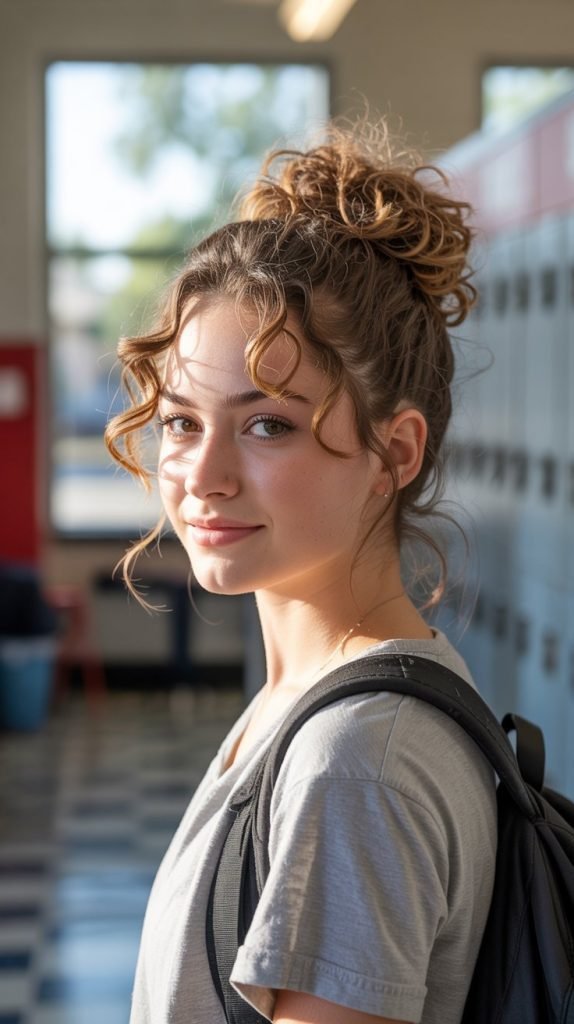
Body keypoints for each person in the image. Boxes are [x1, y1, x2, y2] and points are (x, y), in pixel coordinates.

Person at [105, 119, 497, 1024]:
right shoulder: (314, 704)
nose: (203, 478)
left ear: (394, 451)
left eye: (268, 424)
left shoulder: (354, 762)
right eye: (181, 422)